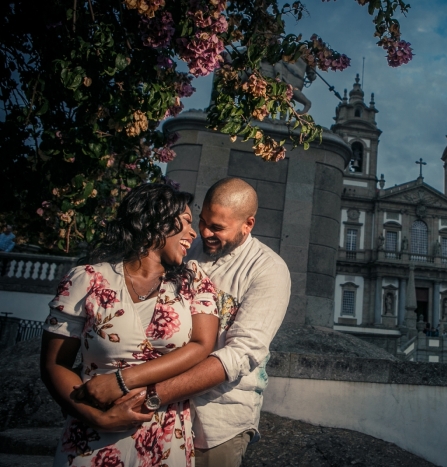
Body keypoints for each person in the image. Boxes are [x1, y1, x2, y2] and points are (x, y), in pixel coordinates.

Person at [40, 184, 220, 467]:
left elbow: (202, 345)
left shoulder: (194, 282)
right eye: (185, 222)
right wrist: (97, 417)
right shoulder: (87, 279)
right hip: (90, 439)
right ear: (155, 221)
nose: (194, 233)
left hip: (164, 442)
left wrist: (122, 381)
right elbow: (54, 364)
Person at [124, 177, 290, 467]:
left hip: (216, 422)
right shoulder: (185, 248)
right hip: (157, 416)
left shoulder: (268, 270)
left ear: (248, 224)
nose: (205, 232)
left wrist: (151, 395)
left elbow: (241, 354)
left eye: (218, 228)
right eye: (202, 221)